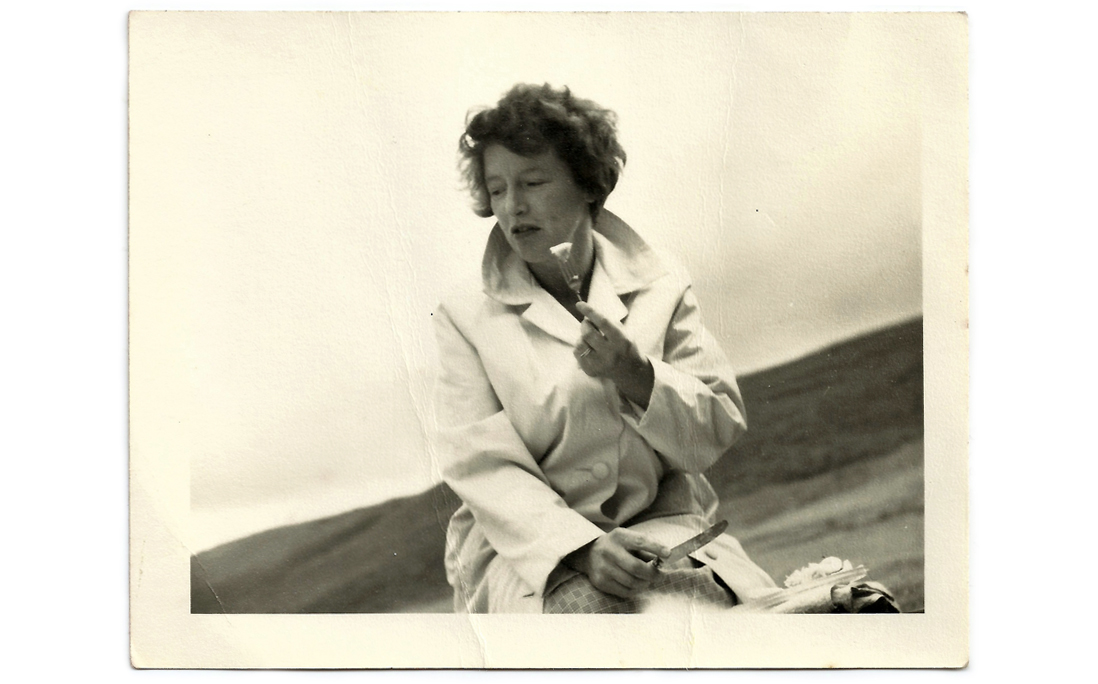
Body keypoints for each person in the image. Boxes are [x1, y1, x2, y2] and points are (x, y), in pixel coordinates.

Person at [432, 83, 778, 613]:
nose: (512, 206)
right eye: (497, 189)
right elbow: (483, 468)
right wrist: (582, 548)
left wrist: (636, 373)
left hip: (659, 526)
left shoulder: (661, 282)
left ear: (589, 184)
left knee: (688, 623)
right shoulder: (465, 316)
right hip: (530, 554)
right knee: (593, 629)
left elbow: (715, 431)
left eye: (533, 181)